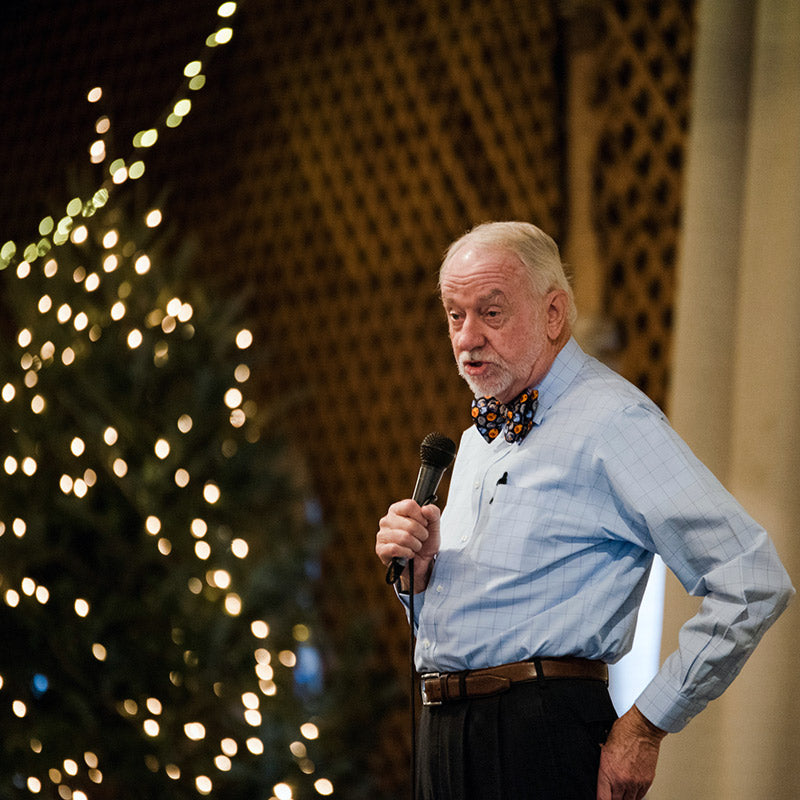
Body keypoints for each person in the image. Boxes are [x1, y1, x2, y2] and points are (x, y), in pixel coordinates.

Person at [375, 221, 794, 800]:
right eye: (454, 314)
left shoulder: (612, 422)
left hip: (538, 738)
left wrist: (646, 727)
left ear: (554, 314)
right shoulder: (476, 438)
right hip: (444, 736)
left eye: (490, 313)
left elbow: (751, 578)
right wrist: (422, 576)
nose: (467, 338)